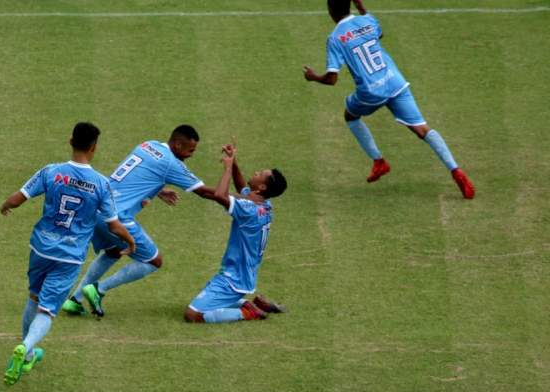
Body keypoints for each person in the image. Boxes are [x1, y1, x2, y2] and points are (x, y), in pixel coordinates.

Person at [0, 122, 135, 385]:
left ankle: (28, 355)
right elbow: (113, 225)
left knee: (33, 297)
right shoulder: (101, 184)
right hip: (69, 257)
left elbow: (19, 197)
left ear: (71, 141)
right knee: (47, 310)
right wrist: (130, 241)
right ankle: (26, 346)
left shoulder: (51, 171)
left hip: (41, 248)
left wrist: (5, 205)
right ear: (94, 148)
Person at [302, 0, 475, 199]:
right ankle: (456, 170)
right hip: (395, 82)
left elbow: (332, 79)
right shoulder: (368, 20)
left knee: (350, 115)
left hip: (371, 92)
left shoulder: (335, 38)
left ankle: (379, 161)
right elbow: (379, 33)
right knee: (422, 129)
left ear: (330, 10)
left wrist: (313, 77)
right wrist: (362, 8)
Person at [62, 124, 215, 317]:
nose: (191, 155)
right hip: (116, 216)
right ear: (178, 144)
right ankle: (98, 289)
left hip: (97, 208)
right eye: (190, 150)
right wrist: (238, 199)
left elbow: (134, 175)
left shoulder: (148, 145)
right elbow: (206, 192)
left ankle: (74, 300)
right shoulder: (171, 163)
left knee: (113, 251)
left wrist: (158, 190)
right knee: (153, 261)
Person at [184, 142, 288, 324]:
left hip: (234, 279)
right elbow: (242, 190)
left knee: (193, 314)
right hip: (243, 275)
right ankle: (251, 304)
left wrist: (227, 167)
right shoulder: (265, 205)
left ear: (262, 188)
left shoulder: (249, 210)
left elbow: (220, 195)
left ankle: (247, 312)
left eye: (260, 174)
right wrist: (234, 161)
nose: (256, 172)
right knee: (208, 303)